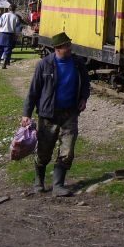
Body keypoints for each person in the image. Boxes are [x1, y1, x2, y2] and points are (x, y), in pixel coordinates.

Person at [21, 32, 90, 197]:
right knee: (44, 151)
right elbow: (33, 91)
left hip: (70, 113)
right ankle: (39, 182)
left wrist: (83, 98)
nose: (69, 48)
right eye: (66, 46)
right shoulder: (44, 65)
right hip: (48, 114)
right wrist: (26, 114)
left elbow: (86, 84)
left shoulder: (78, 64)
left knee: (68, 150)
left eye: (69, 45)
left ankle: (58, 185)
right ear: (57, 48)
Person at [0, 4, 21, 69]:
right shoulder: (16, 17)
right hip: (10, 35)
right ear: (15, 10)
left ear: (9, 9)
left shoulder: (4, 15)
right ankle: (4, 64)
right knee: (7, 50)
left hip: (2, 34)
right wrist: (16, 37)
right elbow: (17, 29)